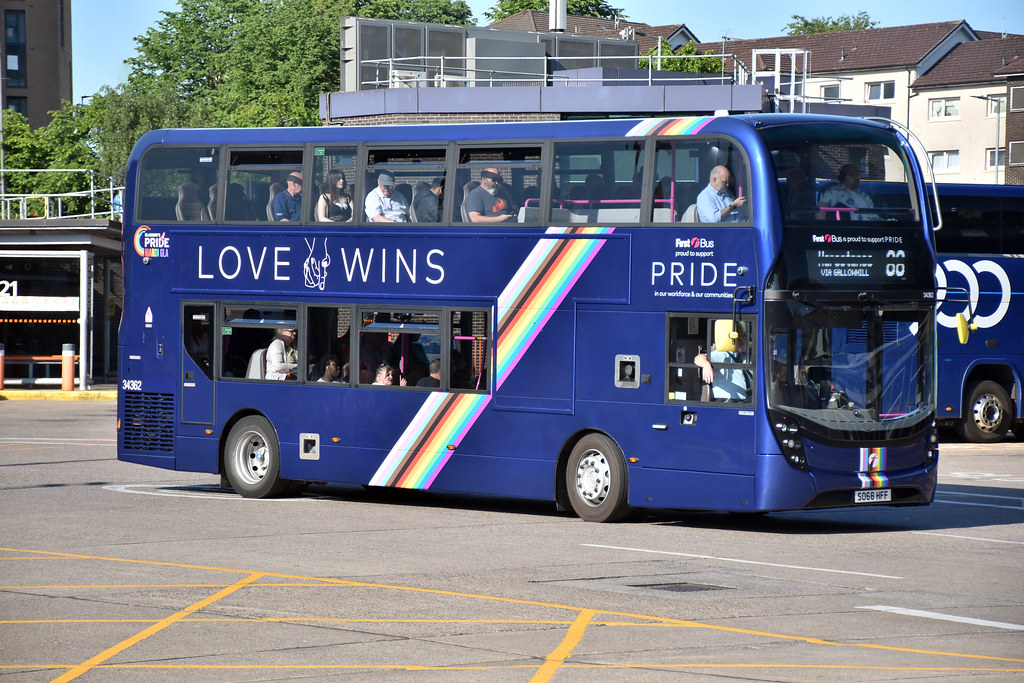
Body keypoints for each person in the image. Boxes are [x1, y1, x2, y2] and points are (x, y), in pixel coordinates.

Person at [693, 324, 750, 401]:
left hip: (748, 401)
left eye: (743, 336)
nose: (741, 340)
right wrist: (706, 365)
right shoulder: (721, 354)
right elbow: (698, 358)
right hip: (728, 402)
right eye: (738, 337)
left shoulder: (745, 356)